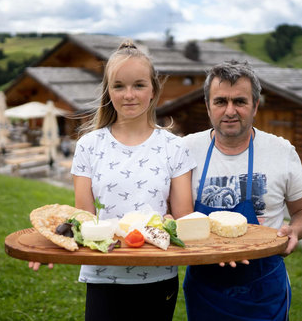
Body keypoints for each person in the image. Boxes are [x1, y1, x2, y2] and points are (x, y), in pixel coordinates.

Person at [30, 40, 195, 321]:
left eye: (139, 85)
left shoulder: (174, 147)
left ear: (153, 90)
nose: (129, 94)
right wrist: (51, 244)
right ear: (108, 91)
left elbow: (185, 221)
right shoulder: (89, 146)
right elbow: (84, 219)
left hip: (158, 274)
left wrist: (175, 224)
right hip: (103, 273)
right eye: (119, 86)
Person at [182, 60, 302, 321]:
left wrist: (295, 230)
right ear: (208, 106)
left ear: (255, 105)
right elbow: (175, 213)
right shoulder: (186, 150)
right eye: (220, 101)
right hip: (205, 289)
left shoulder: (281, 151)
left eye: (240, 102)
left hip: (264, 291)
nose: (230, 111)